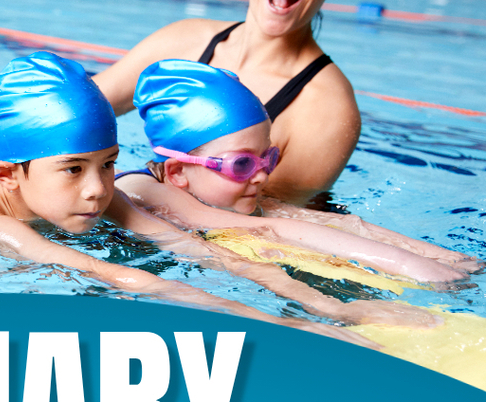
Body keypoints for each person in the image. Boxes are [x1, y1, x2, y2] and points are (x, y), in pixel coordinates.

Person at [0, 52, 445, 332]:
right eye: (73, 170)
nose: (96, 190)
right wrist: (285, 328)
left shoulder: (97, 194)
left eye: (108, 165)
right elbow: (114, 274)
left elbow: (202, 252)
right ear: (8, 177)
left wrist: (332, 308)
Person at [0, 0, 359, 205]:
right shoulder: (185, 39)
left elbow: (254, 219)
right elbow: (74, 109)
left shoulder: (327, 107)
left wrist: (137, 190)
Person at [116, 61, 474, 291]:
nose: (260, 176)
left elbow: (312, 219)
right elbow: (268, 230)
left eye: (267, 158)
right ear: (178, 172)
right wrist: (407, 266)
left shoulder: (225, 195)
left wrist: (442, 257)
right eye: (241, 165)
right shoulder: (142, 190)